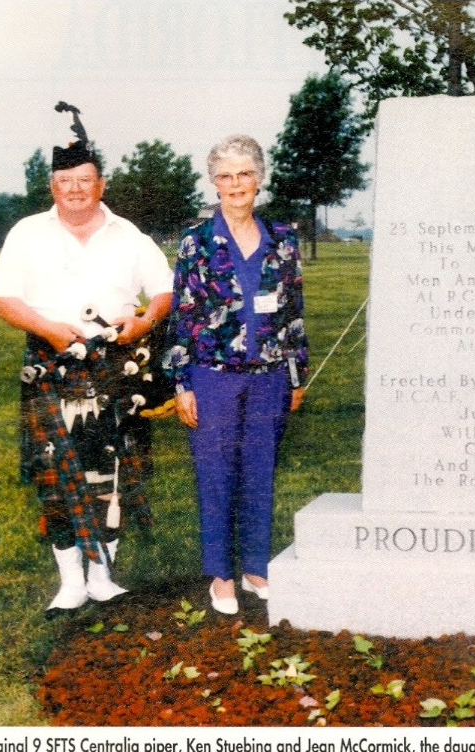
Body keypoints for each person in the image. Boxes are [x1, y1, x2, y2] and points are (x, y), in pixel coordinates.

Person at [0, 102, 174, 616]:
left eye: (84, 179)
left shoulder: (130, 235)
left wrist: (142, 322)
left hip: (115, 365)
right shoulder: (27, 233)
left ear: (101, 184)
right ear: (53, 186)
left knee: (112, 472)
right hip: (51, 366)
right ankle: (70, 581)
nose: (74, 188)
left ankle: (103, 577)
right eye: (65, 180)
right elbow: (2, 299)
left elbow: (163, 292)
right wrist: (49, 328)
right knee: (55, 476)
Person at [163, 135, 307, 615]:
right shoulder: (196, 241)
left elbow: (293, 312)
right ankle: (221, 577)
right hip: (214, 376)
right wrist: (182, 382)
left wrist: (297, 374)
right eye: (225, 176)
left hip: (269, 376)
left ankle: (255, 567)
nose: (235, 184)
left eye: (244, 174)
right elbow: (183, 315)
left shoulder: (284, 238)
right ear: (214, 183)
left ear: (259, 178)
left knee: (259, 472)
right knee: (217, 475)